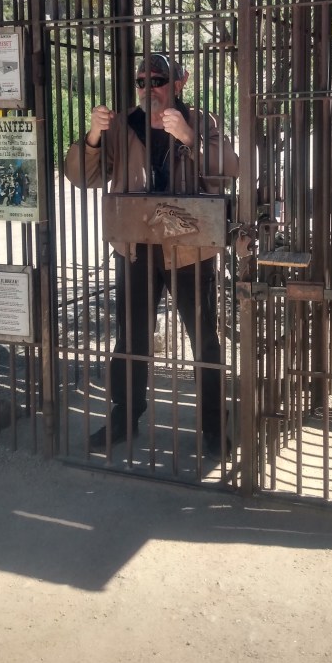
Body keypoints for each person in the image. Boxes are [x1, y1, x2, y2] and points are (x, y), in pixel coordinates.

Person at [64, 53, 239, 457]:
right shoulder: (123, 125)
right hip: (136, 246)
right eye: (142, 81)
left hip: (190, 249)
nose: (149, 88)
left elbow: (229, 169)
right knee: (131, 337)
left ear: (180, 83)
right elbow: (82, 177)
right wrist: (92, 137)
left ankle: (214, 428)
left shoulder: (202, 121)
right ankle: (125, 418)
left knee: (204, 340)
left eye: (158, 80)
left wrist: (190, 140)